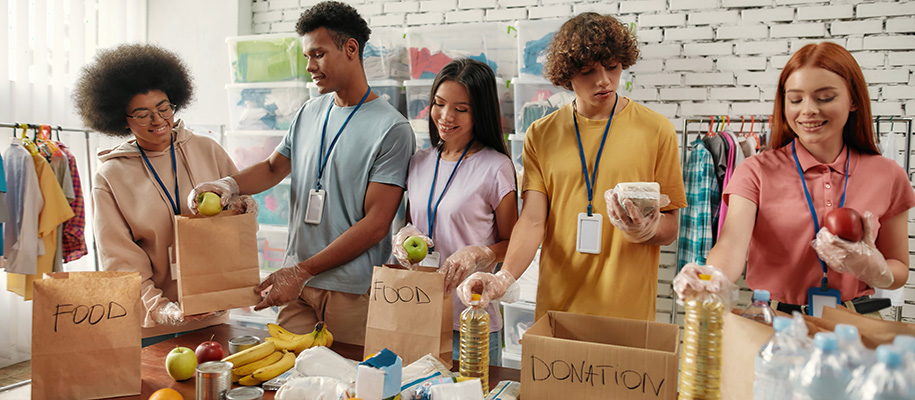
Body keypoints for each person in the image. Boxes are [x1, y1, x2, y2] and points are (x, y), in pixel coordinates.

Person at [188, 1, 414, 345]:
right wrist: (227, 185)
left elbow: (375, 224)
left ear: (350, 48)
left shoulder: (392, 129)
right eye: (308, 56)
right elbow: (273, 167)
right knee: (285, 383)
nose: (310, 66)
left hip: (350, 290)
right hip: (295, 284)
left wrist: (302, 271)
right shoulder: (310, 111)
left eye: (318, 54)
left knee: (347, 387)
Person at [456, 12, 687, 322]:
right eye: (589, 71)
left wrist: (648, 229)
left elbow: (671, 226)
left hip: (627, 312)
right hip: (558, 306)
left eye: (613, 67)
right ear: (567, 75)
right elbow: (534, 220)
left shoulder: (656, 130)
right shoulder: (542, 133)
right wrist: (504, 277)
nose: (604, 80)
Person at [674, 42, 913, 317]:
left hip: (857, 324)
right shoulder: (756, 170)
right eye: (796, 100)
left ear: (854, 101)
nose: (808, 110)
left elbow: (899, 267)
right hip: (773, 322)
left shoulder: (888, 174)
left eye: (825, 98)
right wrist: (711, 276)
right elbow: (731, 245)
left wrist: (878, 271)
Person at [73, 43, 257, 345]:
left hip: (213, 313)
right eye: (142, 114)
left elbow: (242, 227)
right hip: (153, 325)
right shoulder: (111, 175)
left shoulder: (208, 150)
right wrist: (163, 310)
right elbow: (118, 260)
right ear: (122, 119)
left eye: (164, 108)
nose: (158, 120)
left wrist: (243, 207)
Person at [391, 59, 518, 366]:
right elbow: (413, 224)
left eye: (461, 109)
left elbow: (513, 244)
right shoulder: (419, 161)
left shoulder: (496, 167)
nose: (446, 116)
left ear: (480, 112)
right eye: (439, 103)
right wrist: (405, 237)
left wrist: (478, 253)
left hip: (470, 320)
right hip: (418, 311)